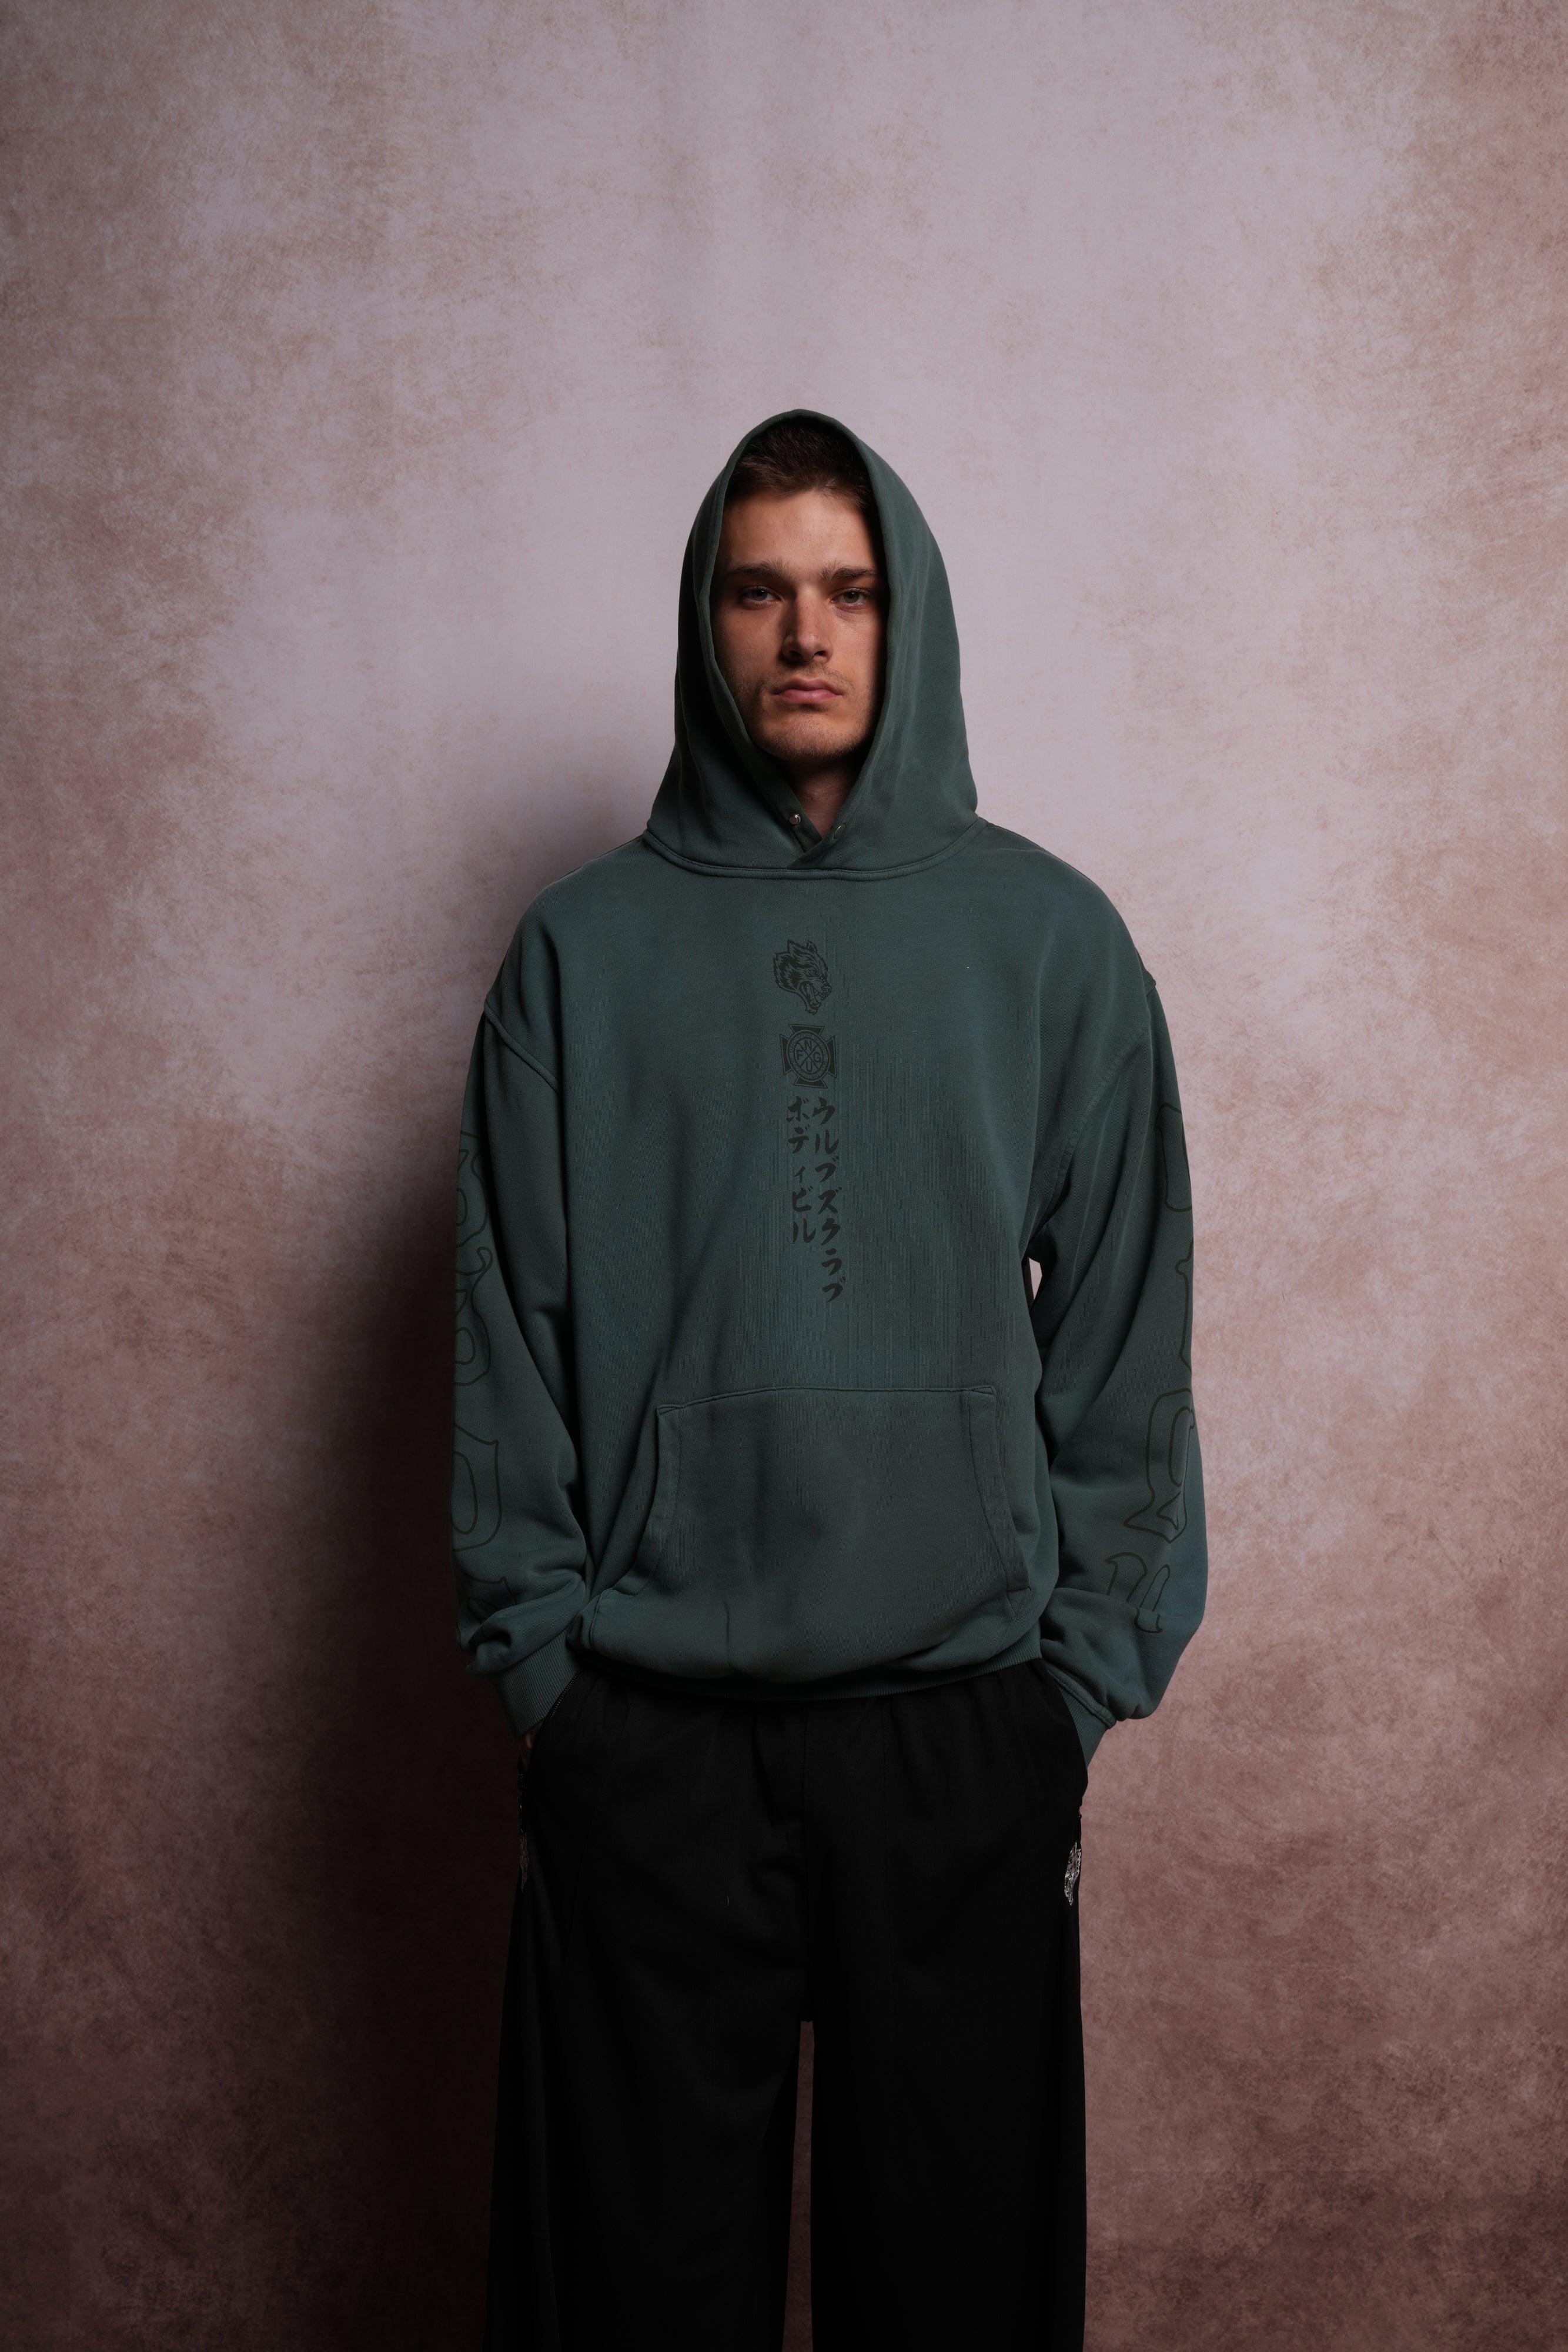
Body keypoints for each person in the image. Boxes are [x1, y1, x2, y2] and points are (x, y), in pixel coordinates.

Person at [451, 412, 1205, 2351]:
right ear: (702, 622)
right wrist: (546, 1683)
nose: (805, 635)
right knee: (627, 2310)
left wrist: (1069, 1694)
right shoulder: (576, 956)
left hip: (964, 1728)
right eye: (760, 590)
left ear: (909, 615)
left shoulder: (1051, 943)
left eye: (850, 591)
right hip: (647, 1736)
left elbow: (1124, 1346)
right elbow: (508, 1334)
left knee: (956, 2307)